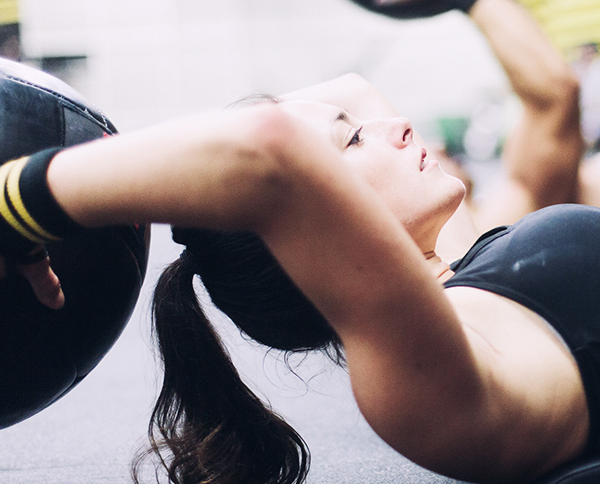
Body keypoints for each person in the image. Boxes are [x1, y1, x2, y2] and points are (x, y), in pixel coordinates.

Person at [3, 0, 600, 483]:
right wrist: (18, 202)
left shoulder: (461, 260)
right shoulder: (425, 380)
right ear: (310, 233)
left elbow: (351, 90)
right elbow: (271, 155)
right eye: (355, 143)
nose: (396, 126)